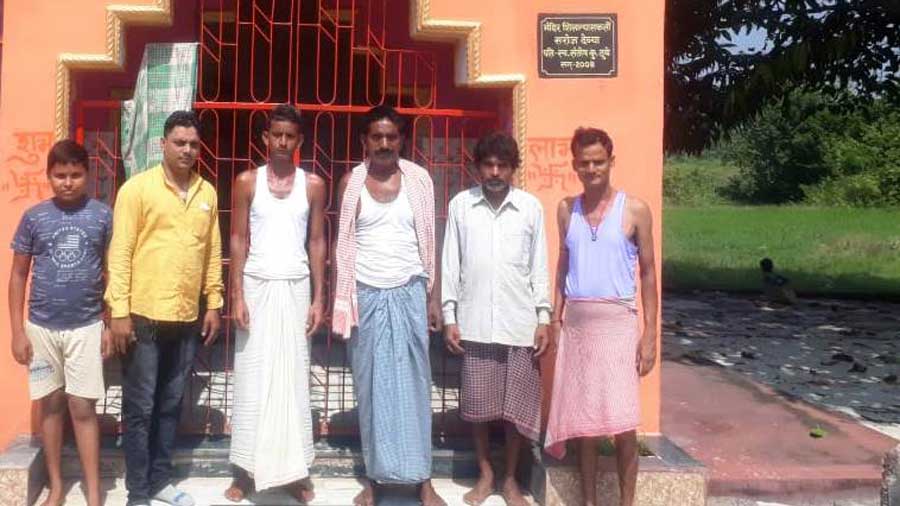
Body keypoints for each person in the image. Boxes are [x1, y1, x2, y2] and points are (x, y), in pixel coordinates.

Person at [106, 111, 224, 506]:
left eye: (193, 144)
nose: (187, 150)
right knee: (140, 406)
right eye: (179, 142)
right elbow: (120, 252)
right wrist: (118, 312)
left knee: (172, 403)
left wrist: (214, 302)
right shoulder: (136, 190)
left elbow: (212, 253)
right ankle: (138, 493)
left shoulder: (206, 192)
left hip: (187, 317)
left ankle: (160, 481)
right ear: (162, 144)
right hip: (144, 316)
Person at [332, 105, 445, 506]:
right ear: (365, 141)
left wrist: (434, 297)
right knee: (371, 389)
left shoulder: (419, 180)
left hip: (411, 292)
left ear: (400, 140)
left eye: (391, 137)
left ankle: (423, 479)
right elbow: (342, 245)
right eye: (376, 137)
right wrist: (341, 301)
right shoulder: (352, 182)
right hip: (366, 295)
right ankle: (376, 478)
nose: (384, 144)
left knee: (416, 387)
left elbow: (431, 240)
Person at [544, 127, 659, 506]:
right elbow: (563, 266)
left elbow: (647, 273)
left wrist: (650, 335)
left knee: (624, 425)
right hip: (578, 326)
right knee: (585, 424)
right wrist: (555, 318)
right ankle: (589, 501)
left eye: (598, 161)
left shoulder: (635, 209)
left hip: (618, 326)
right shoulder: (566, 209)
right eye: (584, 162)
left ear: (611, 162)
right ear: (575, 164)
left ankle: (627, 503)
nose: (591, 168)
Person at [441, 132, 551, 506]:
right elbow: (450, 262)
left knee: (515, 409)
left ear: (513, 169)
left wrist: (543, 318)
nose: (495, 171)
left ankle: (510, 480)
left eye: (502, 165)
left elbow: (539, 267)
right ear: (477, 168)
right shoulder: (461, 206)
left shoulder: (531, 208)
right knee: (479, 407)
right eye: (488, 164)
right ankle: (485, 474)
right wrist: (449, 315)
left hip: (519, 325)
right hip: (475, 323)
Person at [224, 104, 327, 503]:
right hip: (257, 286)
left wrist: (319, 296)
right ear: (265, 138)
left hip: (296, 285)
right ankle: (246, 471)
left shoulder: (312, 184)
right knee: (252, 379)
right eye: (276, 135)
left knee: (294, 377)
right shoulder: (246, 181)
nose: (283, 142)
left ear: (299, 141)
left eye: (290, 136)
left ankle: (296, 472)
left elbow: (317, 242)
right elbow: (237, 239)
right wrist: (237, 293)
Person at [8, 140, 113, 506]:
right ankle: (55, 485)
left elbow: (111, 272)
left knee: (83, 408)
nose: (67, 182)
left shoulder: (102, 216)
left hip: (86, 326)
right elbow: (19, 275)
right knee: (51, 404)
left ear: (88, 175)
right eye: (60, 175)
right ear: (49, 176)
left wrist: (110, 324)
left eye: (75, 175)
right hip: (40, 329)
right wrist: (17, 331)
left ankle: (94, 490)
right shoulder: (35, 217)